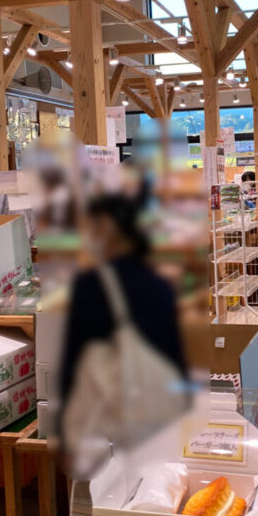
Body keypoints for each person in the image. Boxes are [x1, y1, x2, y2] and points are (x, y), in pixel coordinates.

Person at [59, 193, 188, 473]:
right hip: (156, 417)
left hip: (105, 423)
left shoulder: (89, 287)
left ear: (108, 229)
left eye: (93, 227)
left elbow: (72, 360)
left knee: (110, 500)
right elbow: (176, 361)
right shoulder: (161, 287)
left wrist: (65, 435)